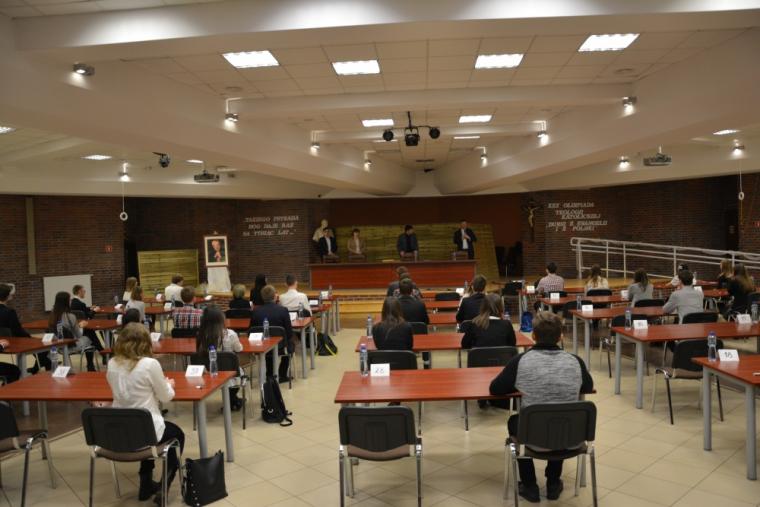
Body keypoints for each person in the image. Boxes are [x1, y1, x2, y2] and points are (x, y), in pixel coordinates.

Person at [489, 311, 593, 503]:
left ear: (534, 335)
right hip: (571, 438)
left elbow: (495, 389)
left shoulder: (520, 361)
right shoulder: (575, 362)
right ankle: (553, 483)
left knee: (515, 421)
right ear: (560, 336)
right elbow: (588, 386)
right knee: (561, 416)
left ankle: (529, 485)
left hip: (532, 437)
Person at [106, 323, 185, 504]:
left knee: (145, 428)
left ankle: (146, 484)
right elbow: (166, 397)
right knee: (176, 435)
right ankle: (164, 486)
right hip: (145, 431)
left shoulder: (112, 364)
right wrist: (169, 385)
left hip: (120, 432)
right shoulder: (149, 364)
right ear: (145, 342)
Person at [196, 306, 244, 410]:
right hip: (230, 373)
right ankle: (232, 400)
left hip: (208, 372)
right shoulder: (231, 334)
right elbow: (239, 349)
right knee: (239, 369)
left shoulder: (201, 335)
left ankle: (233, 400)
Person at [0, 284, 50, 372]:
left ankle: (40, 366)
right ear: (7, 296)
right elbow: (17, 331)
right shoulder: (9, 312)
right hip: (14, 341)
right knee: (44, 346)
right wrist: (29, 337)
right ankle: (45, 365)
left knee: (39, 349)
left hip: (3, 341)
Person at [250, 285, 293, 381]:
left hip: (261, 346)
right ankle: (282, 374)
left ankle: (270, 374)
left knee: (268, 346)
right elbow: (289, 333)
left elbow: (251, 331)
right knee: (290, 343)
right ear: (275, 296)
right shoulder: (283, 310)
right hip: (281, 346)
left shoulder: (255, 312)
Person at [48, 291, 93, 367]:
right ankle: (90, 366)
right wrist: (81, 326)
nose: (71, 301)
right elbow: (78, 335)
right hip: (71, 346)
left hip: (57, 346)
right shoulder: (71, 316)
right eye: (70, 300)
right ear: (66, 302)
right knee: (89, 338)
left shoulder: (52, 315)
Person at [71, 284, 105, 370]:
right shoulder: (81, 304)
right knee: (91, 335)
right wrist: (95, 311)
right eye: (84, 291)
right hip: (83, 329)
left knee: (91, 335)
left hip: (77, 328)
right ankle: (103, 353)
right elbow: (88, 318)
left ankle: (94, 362)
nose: (85, 293)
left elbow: (82, 311)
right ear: (79, 291)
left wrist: (90, 308)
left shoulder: (72, 303)